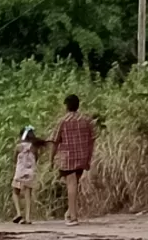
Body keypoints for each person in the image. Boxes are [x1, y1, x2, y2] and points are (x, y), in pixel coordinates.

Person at [51, 94, 96, 226]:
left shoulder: (63, 121)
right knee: (74, 184)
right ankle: (69, 212)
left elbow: (55, 141)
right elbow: (92, 140)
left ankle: (73, 217)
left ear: (66, 106)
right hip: (82, 157)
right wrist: (88, 157)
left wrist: (51, 158)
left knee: (71, 184)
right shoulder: (86, 120)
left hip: (68, 158)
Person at [11, 126, 46, 224]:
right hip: (30, 172)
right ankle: (28, 217)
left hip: (19, 172)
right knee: (28, 195)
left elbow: (14, 159)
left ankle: (19, 213)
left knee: (15, 191)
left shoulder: (18, 147)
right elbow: (36, 158)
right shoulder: (34, 147)